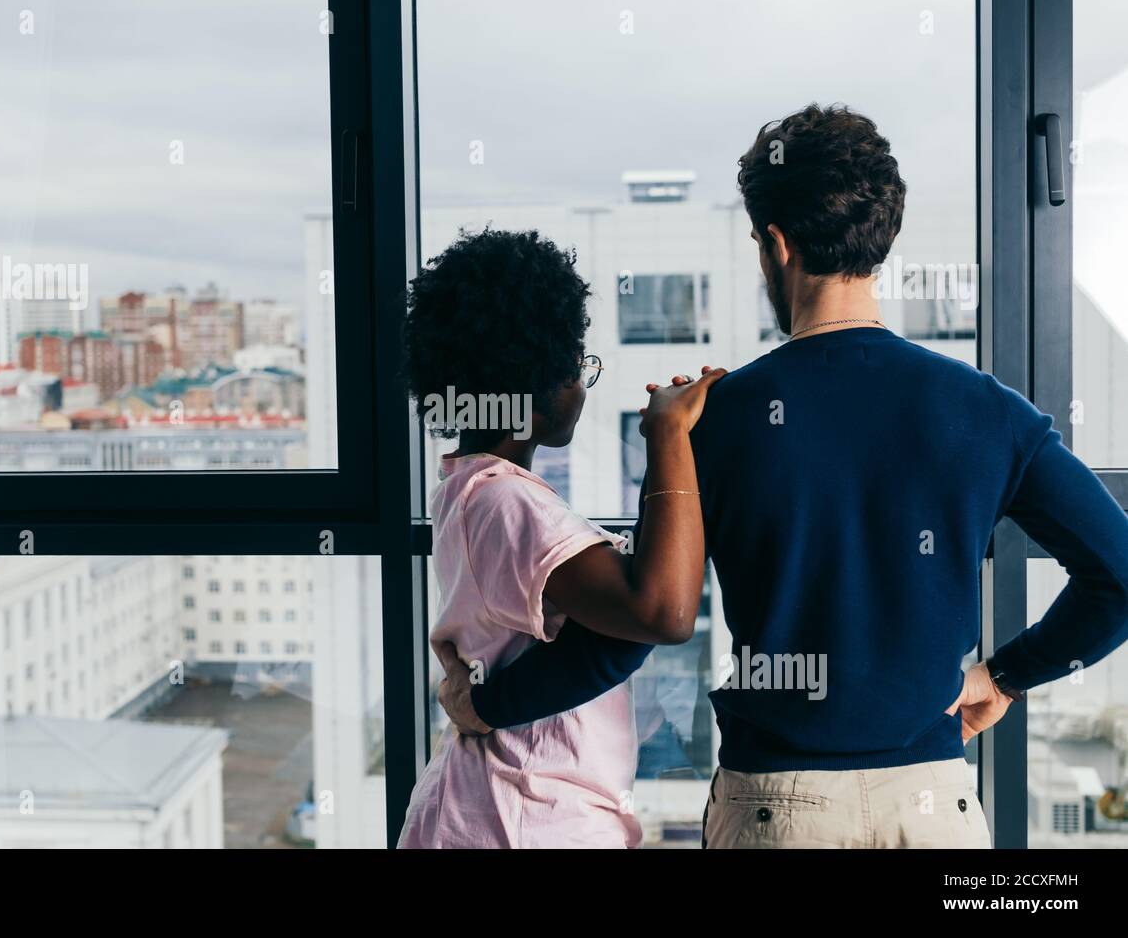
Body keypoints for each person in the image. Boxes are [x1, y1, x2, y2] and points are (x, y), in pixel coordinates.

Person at [438, 105, 1128, 849]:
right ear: (881, 238)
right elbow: (1117, 575)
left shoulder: (712, 417)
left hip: (776, 807)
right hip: (932, 806)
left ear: (776, 245)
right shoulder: (988, 411)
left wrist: (490, 702)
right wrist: (1004, 676)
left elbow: (634, 627)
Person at [395, 227, 724, 848]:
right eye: (577, 362)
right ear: (536, 375)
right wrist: (667, 439)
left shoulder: (468, 489)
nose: (580, 381)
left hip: (496, 807)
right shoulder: (505, 501)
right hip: (520, 815)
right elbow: (662, 611)